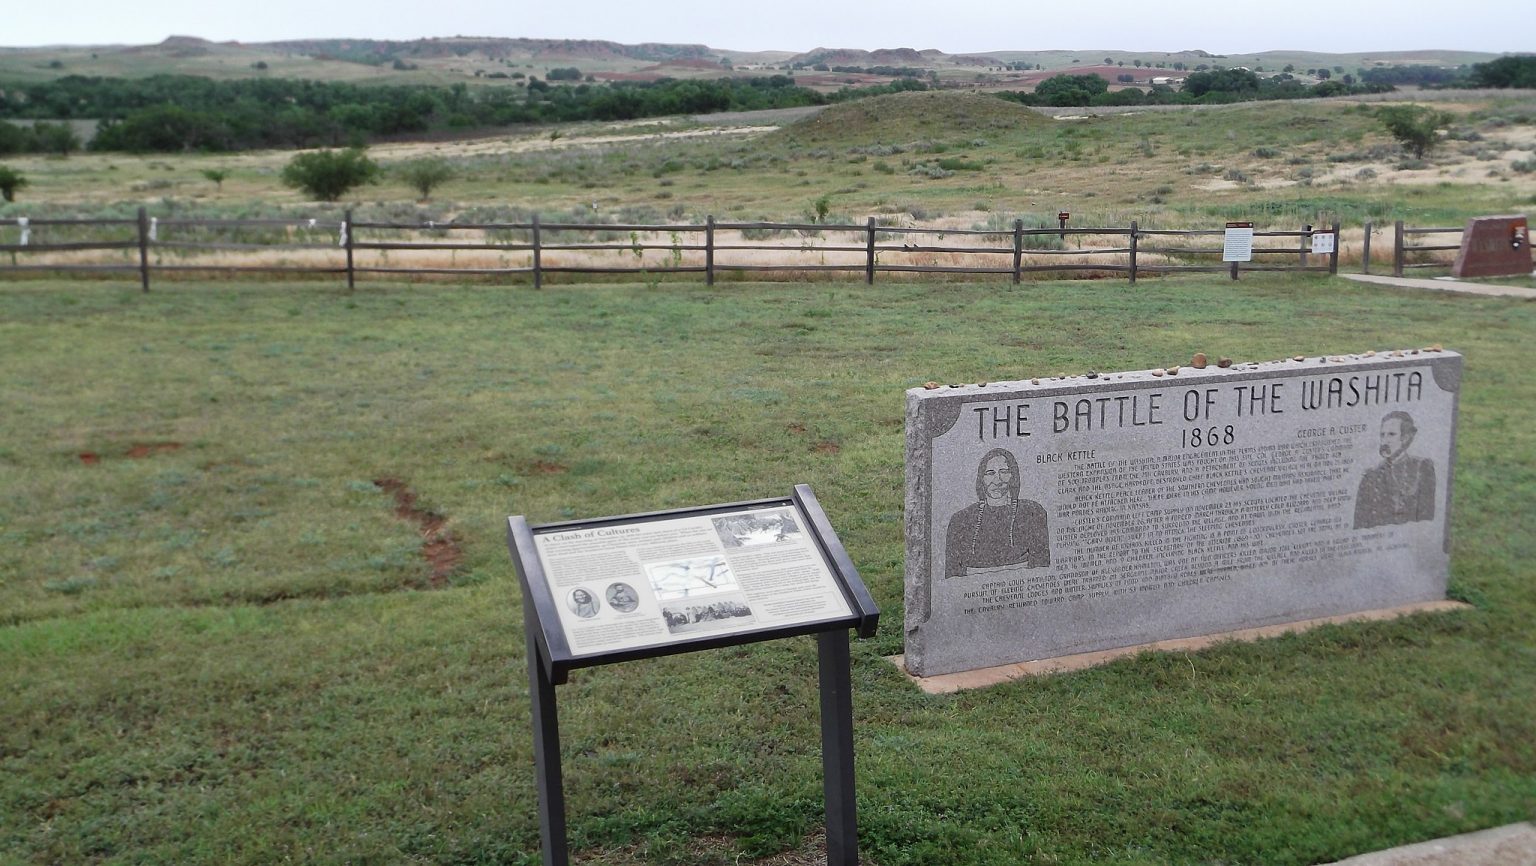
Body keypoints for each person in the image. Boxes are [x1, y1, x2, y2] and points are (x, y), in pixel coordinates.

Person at [945, 448, 1050, 577]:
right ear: (981, 479)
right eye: (990, 473)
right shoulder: (961, 520)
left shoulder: (1033, 512)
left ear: (1013, 475)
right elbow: (953, 573)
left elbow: (1041, 566)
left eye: (1004, 472)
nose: (997, 480)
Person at [1353, 410, 1437, 529]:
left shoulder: (1422, 467)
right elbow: (1360, 524)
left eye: (1391, 434)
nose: (1385, 440)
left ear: (1405, 437)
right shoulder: (1370, 475)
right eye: (1382, 435)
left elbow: (1427, 519)